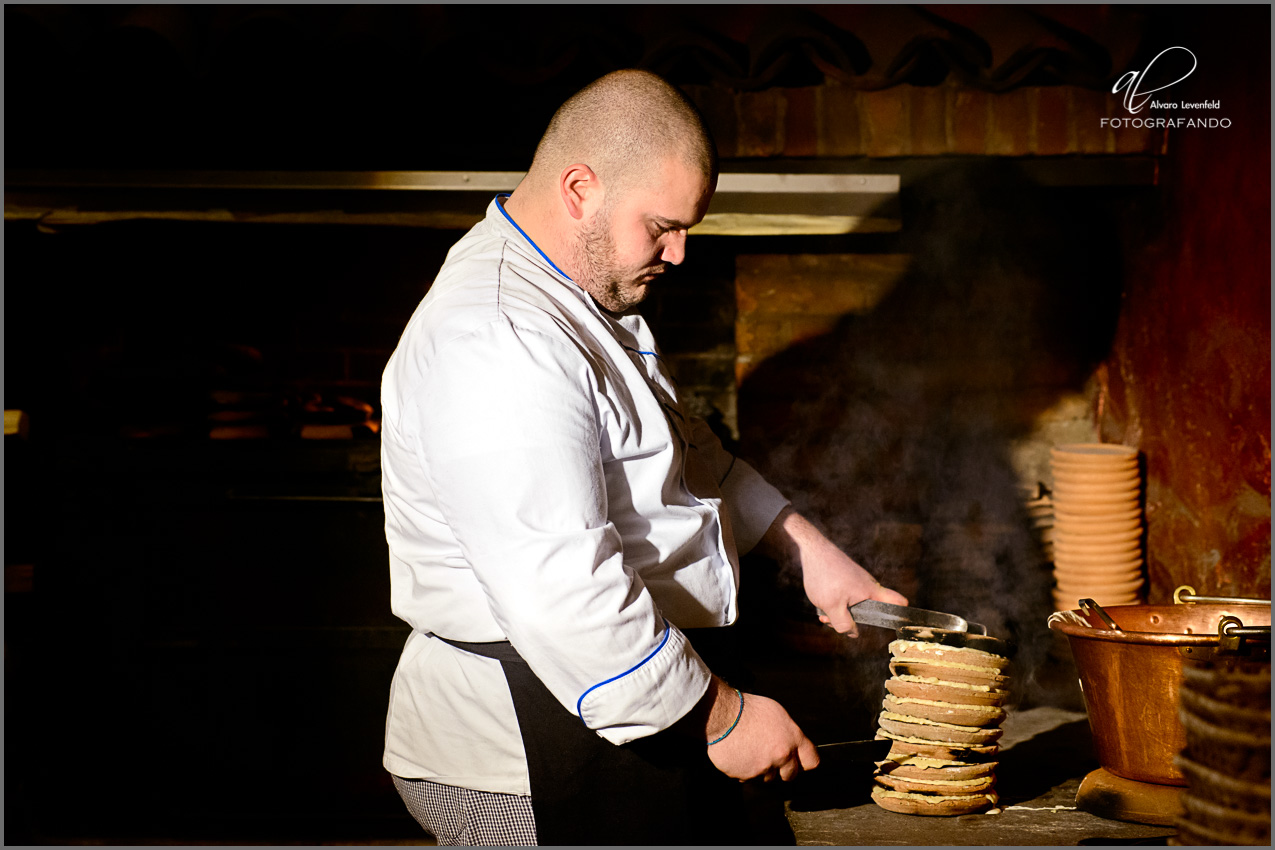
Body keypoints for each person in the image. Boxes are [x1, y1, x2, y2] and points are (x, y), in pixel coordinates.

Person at [379, 69, 907, 846]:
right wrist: (722, 717)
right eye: (661, 225)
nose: (679, 252)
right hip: (525, 745)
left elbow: (693, 460)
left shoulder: (581, 297)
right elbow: (561, 588)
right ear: (579, 188)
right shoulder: (499, 335)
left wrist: (812, 554)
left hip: (630, 711)